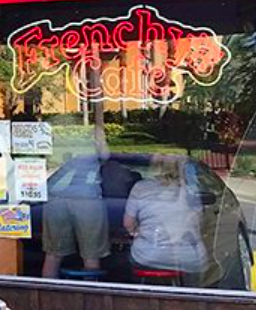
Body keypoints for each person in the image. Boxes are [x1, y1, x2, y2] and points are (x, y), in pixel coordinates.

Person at [42, 111, 111, 279]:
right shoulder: (92, 136)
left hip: (55, 198)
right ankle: (91, 298)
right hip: (87, 198)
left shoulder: (52, 137)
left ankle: (47, 296)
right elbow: (106, 156)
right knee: (91, 255)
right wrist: (100, 137)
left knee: (53, 255)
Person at [123, 155, 207, 278]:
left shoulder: (140, 188)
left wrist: (139, 233)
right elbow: (199, 222)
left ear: (154, 167)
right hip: (189, 258)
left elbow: (128, 224)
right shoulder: (191, 189)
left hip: (148, 255)